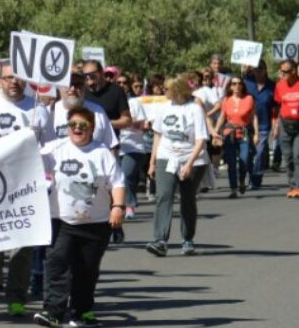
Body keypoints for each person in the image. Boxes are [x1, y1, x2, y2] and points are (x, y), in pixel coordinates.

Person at [33, 106, 125, 328]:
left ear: (92, 128)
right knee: (57, 265)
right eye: (72, 125)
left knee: (87, 270)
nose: (77, 129)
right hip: (61, 221)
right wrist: (29, 138)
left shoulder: (102, 153)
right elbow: (29, 161)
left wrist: (118, 207)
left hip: (96, 223)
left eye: (83, 125)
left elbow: (118, 182)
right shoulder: (54, 149)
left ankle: (82, 312)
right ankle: (53, 312)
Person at [0, 60, 49, 315]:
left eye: (18, 78)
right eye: (8, 78)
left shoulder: (38, 108)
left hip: (25, 183)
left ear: (27, 81)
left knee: (22, 244)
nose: (13, 82)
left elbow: (49, 147)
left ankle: (17, 295)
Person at [146, 75, 209, 257]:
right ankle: (160, 240)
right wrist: (152, 162)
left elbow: (201, 139)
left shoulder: (194, 109)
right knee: (164, 195)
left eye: (167, 90)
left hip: (191, 158)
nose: (164, 92)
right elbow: (158, 136)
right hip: (166, 156)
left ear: (178, 91)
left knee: (187, 199)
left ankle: (188, 238)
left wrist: (189, 163)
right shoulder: (163, 108)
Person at [272, 59, 299, 198]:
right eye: (281, 71)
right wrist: (275, 124)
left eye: (284, 71)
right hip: (285, 123)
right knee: (288, 157)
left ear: (293, 72)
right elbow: (277, 105)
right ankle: (291, 186)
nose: (282, 74)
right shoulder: (279, 85)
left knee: (298, 155)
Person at [213, 77, 258, 198]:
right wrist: (216, 133)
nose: (237, 86)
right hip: (229, 133)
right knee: (231, 163)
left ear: (242, 86)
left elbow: (253, 117)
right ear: (230, 86)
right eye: (234, 84)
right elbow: (222, 117)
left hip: (243, 132)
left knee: (244, 159)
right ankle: (233, 188)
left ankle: (242, 180)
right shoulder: (226, 100)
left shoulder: (249, 99)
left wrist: (256, 134)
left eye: (239, 83)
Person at [116, 73, 149, 220]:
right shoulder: (112, 102)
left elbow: (142, 124)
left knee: (126, 175)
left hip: (133, 147)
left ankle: (129, 205)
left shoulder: (135, 102)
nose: (121, 85)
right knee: (118, 178)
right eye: (119, 82)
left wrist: (125, 121)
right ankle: (118, 205)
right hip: (116, 146)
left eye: (124, 83)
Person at [243, 60, 276, 189]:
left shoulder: (272, 85)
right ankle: (248, 175)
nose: (258, 71)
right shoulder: (247, 82)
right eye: (256, 68)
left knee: (260, 152)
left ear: (265, 69)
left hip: (263, 125)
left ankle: (256, 179)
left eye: (261, 68)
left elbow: (276, 107)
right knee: (247, 154)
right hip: (246, 124)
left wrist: (275, 124)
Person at [82, 60, 132, 135]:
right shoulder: (82, 92)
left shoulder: (116, 91)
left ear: (101, 72)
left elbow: (127, 120)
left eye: (93, 76)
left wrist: (105, 124)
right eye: (85, 77)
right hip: (87, 143)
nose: (90, 82)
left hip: (110, 144)